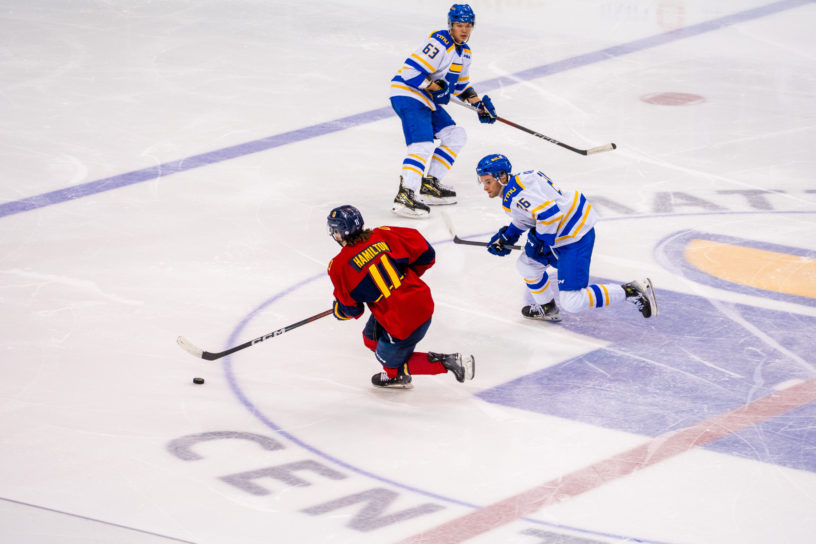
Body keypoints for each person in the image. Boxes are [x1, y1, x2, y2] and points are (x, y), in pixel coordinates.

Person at [475, 153, 658, 320]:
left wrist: (541, 242)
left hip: (574, 237)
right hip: (565, 229)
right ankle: (547, 308)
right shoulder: (523, 179)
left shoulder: (516, 196)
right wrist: (508, 236)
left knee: (572, 301)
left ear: (503, 177)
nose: (485, 187)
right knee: (526, 265)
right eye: (483, 182)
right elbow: (532, 213)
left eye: (488, 181)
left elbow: (549, 214)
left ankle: (631, 291)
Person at [326, 205, 475, 388]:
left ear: (340, 232)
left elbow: (352, 309)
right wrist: (405, 278)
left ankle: (451, 362)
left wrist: (339, 310)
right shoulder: (383, 234)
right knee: (370, 339)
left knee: (392, 367)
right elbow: (426, 253)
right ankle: (394, 361)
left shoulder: (339, 266)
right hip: (419, 300)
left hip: (401, 321)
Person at [388, 3, 497, 218]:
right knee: (422, 145)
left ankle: (429, 185)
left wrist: (479, 105)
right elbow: (410, 72)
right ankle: (405, 195)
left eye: (468, 25)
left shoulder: (464, 53)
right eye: (459, 25)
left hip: (427, 99)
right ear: (451, 25)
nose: (464, 30)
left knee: (456, 135)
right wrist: (435, 88)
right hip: (408, 94)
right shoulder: (439, 42)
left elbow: (461, 86)